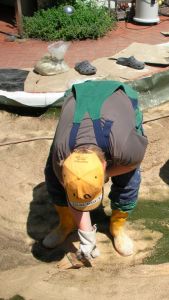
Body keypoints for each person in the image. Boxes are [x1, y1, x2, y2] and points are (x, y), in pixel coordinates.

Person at [43, 80, 148, 261]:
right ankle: (66, 224)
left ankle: (117, 227)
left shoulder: (125, 148)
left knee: (129, 181)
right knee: (52, 180)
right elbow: (76, 193)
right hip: (79, 98)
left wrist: (106, 175)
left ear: (106, 163)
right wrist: (87, 237)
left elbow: (131, 164)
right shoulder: (61, 155)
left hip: (118, 97)